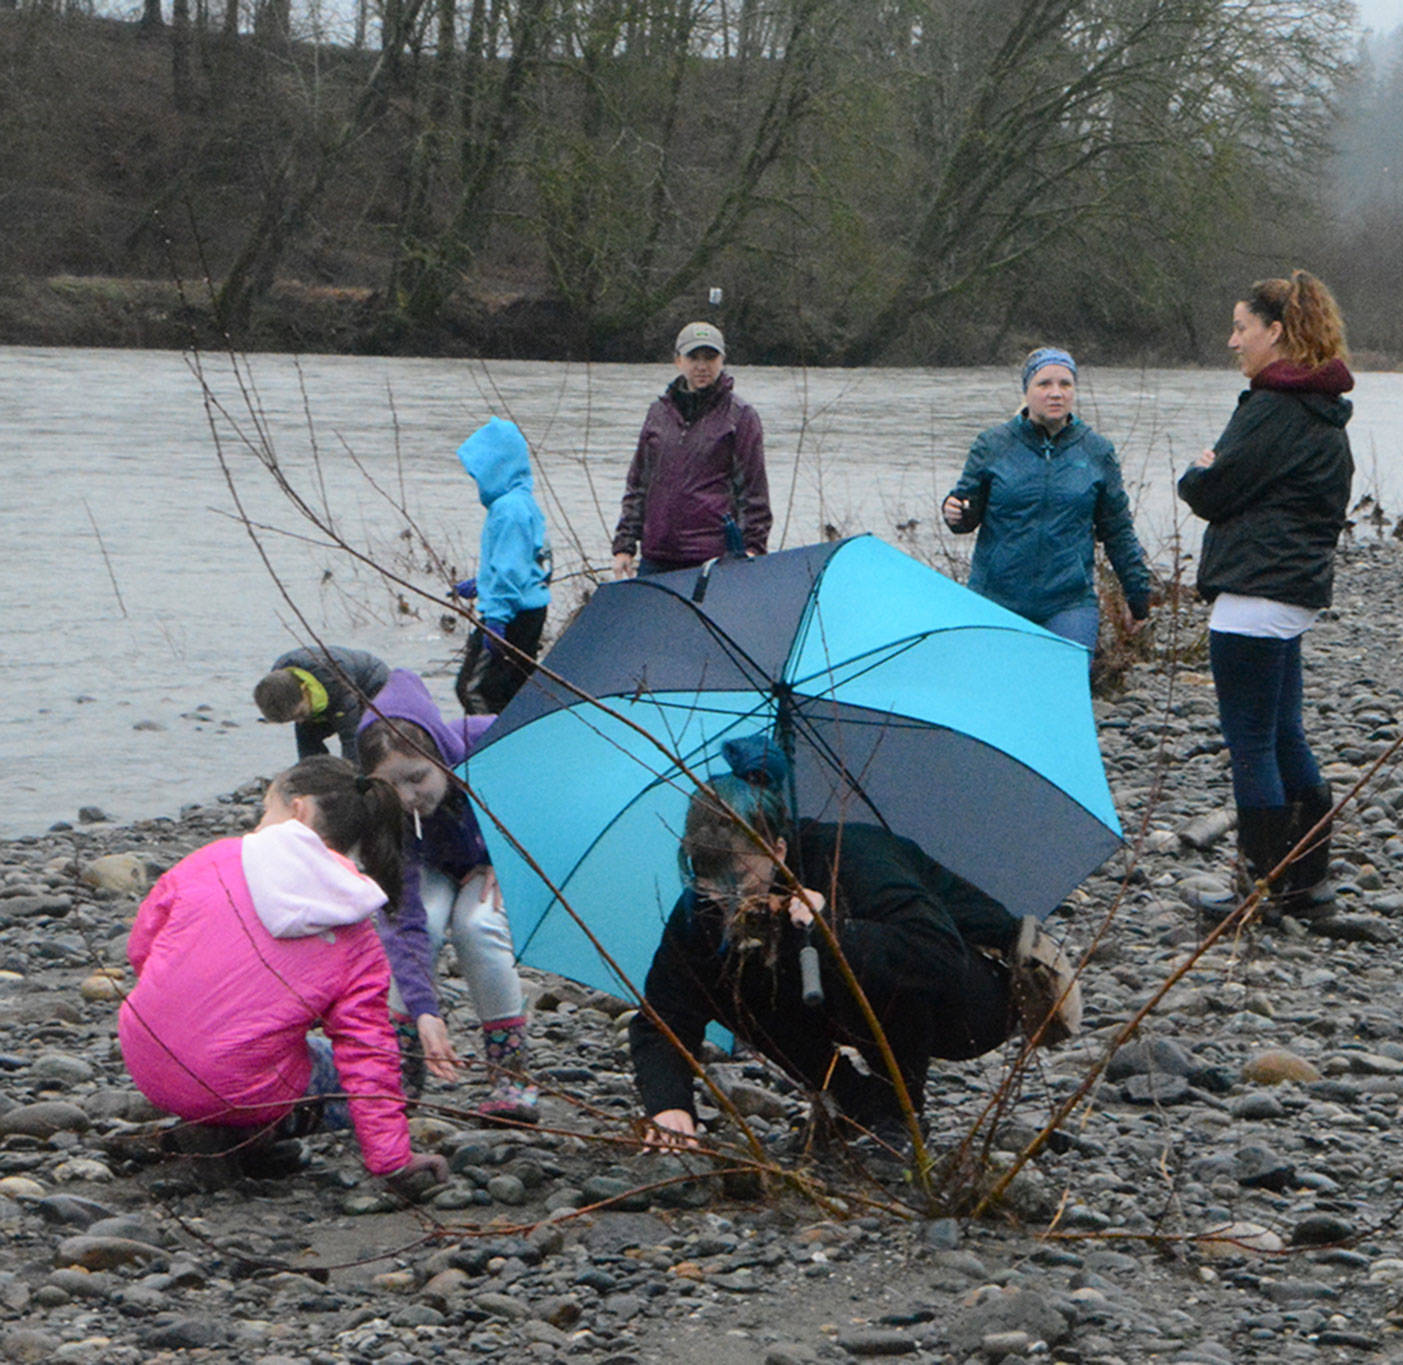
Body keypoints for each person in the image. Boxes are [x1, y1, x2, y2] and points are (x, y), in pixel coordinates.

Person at [629, 737, 1078, 1153]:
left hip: (973, 998)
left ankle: (900, 1112)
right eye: (709, 883)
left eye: (741, 880)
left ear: (778, 851)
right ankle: (859, 1104)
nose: (727, 898)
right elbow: (664, 1015)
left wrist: (832, 930)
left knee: (862, 957)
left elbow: (937, 956)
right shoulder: (701, 909)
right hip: (844, 998)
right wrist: (670, 1105)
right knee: (729, 978)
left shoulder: (853, 856)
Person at [118, 756, 447, 1196]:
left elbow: (142, 949)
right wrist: (393, 1163)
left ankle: (219, 1130)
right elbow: (367, 1052)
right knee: (366, 1076)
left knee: (259, 1045)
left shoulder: (211, 859)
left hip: (145, 1053)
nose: (258, 826)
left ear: (299, 810)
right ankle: (246, 1132)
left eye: (265, 811)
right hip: (236, 1085)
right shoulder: (356, 932)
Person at [1175, 271, 1354, 922]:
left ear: (1275, 332)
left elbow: (1208, 491)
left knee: (1251, 741)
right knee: (1283, 735)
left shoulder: (1271, 408)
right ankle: (1308, 888)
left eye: (1241, 328)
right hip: (1295, 593)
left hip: (1253, 593)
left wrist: (1196, 470)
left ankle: (1255, 892)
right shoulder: (1325, 411)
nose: (1233, 341)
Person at [356, 669, 538, 1124]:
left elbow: (551, 795)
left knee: (479, 923)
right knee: (429, 920)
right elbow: (402, 920)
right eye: (391, 787)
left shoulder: (492, 740)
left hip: (497, 863)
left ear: (438, 752)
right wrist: (425, 1010)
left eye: (417, 777)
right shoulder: (387, 816)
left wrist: (509, 855)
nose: (408, 797)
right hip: (433, 865)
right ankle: (404, 1066)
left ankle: (510, 1071)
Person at [942, 346, 1150, 654]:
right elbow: (965, 513)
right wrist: (954, 512)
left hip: (1068, 602)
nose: (1056, 393)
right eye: (1044, 384)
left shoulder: (1096, 451)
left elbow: (1118, 530)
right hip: (996, 597)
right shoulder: (993, 445)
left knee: (1065, 681)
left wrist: (1138, 594)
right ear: (1026, 391)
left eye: (1065, 384)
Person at [611, 322, 770, 578]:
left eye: (710, 357)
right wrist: (624, 546)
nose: (702, 366)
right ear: (678, 361)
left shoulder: (740, 417)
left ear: (722, 360)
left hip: (714, 560)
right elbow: (638, 484)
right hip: (657, 556)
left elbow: (754, 492)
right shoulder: (658, 413)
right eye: (693, 357)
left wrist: (753, 548)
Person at [452, 417, 551, 716]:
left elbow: (509, 571)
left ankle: (487, 741)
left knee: (474, 689)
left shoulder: (509, 510)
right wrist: (482, 583)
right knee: (513, 690)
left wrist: (496, 619)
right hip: (529, 611)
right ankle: (518, 737)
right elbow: (530, 563)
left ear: (496, 468)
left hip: (512, 615)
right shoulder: (523, 502)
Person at [254, 646, 390, 764]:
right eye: (292, 719)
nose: (300, 721)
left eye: (299, 714)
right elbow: (305, 744)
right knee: (307, 740)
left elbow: (351, 740)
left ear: (304, 690)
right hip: (321, 695)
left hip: (371, 688)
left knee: (366, 743)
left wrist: (353, 778)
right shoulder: (278, 684)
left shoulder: (337, 685)